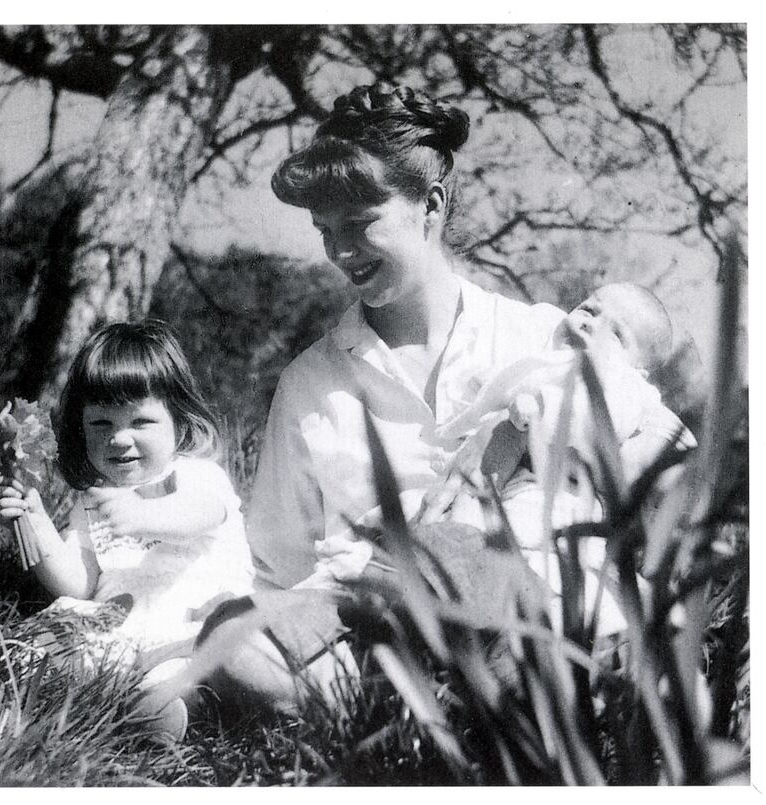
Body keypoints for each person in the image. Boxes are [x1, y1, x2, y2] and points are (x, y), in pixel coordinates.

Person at [193, 83, 567, 711]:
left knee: (473, 556)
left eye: (362, 224)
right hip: (367, 631)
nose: (340, 252)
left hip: (520, 625)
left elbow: (637, 461)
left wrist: (517, 424)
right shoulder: (311, 384)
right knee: (228, 634)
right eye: (325, 230)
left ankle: (432, 715)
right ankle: (405, 715)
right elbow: (280, 564)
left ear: (432, 206)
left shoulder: (537, 339)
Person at [0, 321, 255, 740]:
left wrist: (142, 515)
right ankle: (71, 702)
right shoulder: (93, 499)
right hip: (121, 628)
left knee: (194, 666)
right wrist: (35, 519)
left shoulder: (197, 475)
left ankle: (176, 708)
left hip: (193, 623)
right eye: (101, 424)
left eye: (140, 422)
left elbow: (202, 514)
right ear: (80, 428)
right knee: (32, 653)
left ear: (178, 420)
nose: (119, 438)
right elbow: (77, 584)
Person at [421, 282, 697, 634]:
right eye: (589, 309)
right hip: (507, 500)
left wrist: (539, 407)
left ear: (638, 367)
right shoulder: (544, 355)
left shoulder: (624, 384)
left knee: (565, 590)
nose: (589, 324)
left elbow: (602, 419)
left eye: (616, 333)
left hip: (559, 514)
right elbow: (492, 400)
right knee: (467, 544)